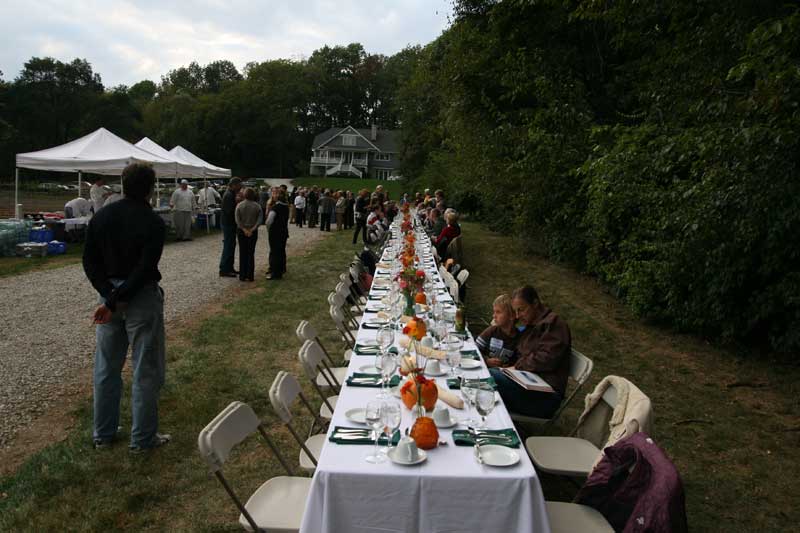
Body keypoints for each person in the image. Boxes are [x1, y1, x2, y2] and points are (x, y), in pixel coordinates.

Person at [82, 162, 170, 452]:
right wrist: (114, 297)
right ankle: (142, 440)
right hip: (139, 297)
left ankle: (103, 434)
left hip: (109, 296)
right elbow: (145, 268)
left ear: (122, 183)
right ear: (150, 188)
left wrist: (108, 297)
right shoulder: (153, 222)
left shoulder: (102, 217)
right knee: (145, 369)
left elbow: (90, 263)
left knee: (106, 367)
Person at [489, 285, 571, 418]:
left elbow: (545, 359)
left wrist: (516, 367)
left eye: (521, 310)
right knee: (489, 373)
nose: (517, 315)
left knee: (492, 377)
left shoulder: (554, 324)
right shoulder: (528, 324)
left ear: (535, 303)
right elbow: (518, 346)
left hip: (546, 397)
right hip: (526, 382)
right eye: (515, 312)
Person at [476, 294, 519, 367]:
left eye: (498, 312)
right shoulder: (491, 331)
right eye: (494, 312)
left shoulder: (520, 338)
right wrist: (486, 360)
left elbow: (520, 362)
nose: (494, 316)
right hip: (485, 370)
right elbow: (474, 349)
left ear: (512, 316)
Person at [235, 187, 262, 282]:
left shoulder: (239, 205)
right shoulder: (257, 206)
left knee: (242, 252)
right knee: (251, 252)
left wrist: (243, 229)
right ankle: (250, 275)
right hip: (252, 231)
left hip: (242, 231)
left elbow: (237, 220)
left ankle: (242, 275)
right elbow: (260, 220)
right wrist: (252, 229)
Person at [219, 177, 242, 277]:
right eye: (239, 185)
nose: (240, 187)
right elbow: (229, 212)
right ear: (233, 185)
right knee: (228, 246)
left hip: (230, 224)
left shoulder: (231, 194)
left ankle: (230, 267)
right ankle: (224, 269)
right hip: (228, 224)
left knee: (231, 246)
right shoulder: (229, 195)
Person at [266, 188, 290, 280]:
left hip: (275, 233)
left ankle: (274, 273)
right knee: (281, 251)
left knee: (274, 252)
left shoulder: (275, 207)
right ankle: (281, 270)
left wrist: (269, 230)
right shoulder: (286, 207)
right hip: (283, 232)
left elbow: (269, 221)